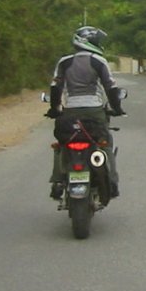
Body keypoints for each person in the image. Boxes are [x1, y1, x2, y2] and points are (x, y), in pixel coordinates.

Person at [45, 26, 125, 200]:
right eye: (96, 41)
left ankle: (58, 181)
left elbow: (55, 87)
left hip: (70, 112)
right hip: (94, 111)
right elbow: (110, 87)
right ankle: (111, 182)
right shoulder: (98, 61)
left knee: (63, 143)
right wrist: (117, 108)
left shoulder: (64, 62)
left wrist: (54, 109)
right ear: (87, 42)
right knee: (104, 143)